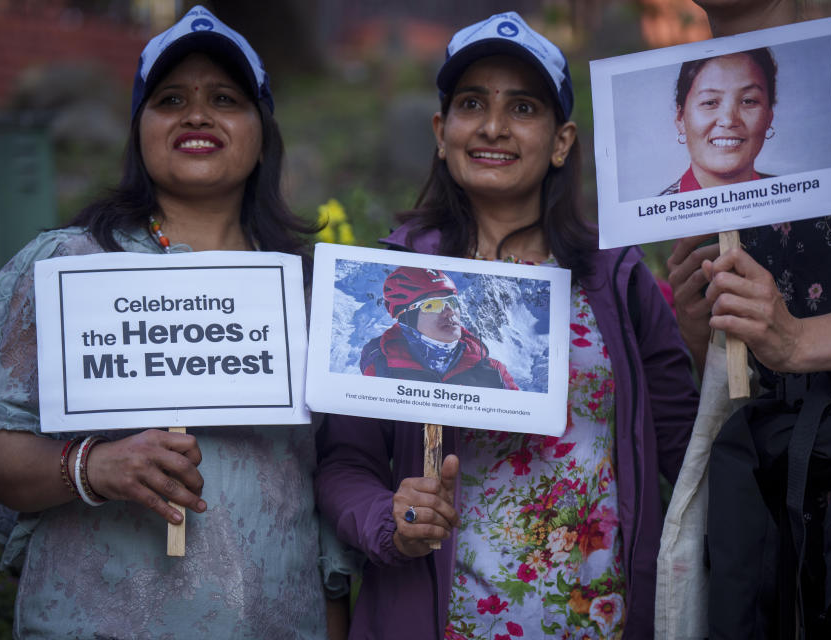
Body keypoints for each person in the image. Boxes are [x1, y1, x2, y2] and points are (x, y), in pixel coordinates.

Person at [316, 11, 699, 640]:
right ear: (441, 132)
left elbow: (685, 448)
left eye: (523, 108)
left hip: (599, 622)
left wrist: (711, 340)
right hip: (437, 622)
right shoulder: (392, 279)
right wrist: (390, 517)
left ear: (562, 142)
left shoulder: (617, 278)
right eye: (472, 104)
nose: (493, 127)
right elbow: (342, 462)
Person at [0, 6, 351, 638]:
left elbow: (329, 481)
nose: (197, 115)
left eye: (225, 99)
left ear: (263, 134)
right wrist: (93, 466)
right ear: (139, 130)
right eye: (171, 98)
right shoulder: (68, 268)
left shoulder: (313, 294)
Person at [666, 0, 831, 637]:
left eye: (751, 101)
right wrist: (702, 332)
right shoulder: (712, 167)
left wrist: (799, 340)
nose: (729, 117)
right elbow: (752, 363)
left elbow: (792, 338)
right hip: (779, 526)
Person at [360, 266, 519, 389]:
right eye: (433, 305)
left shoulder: (493, 371)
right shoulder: (381, 369)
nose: (450, 312)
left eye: (452, 302)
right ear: (408, 318)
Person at [661, 47, 777, 194]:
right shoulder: (655, 215)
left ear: (768, 116)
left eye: (748, 101)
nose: (728, 120)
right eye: (709, 103)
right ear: (680, 118)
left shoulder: (794, 198)